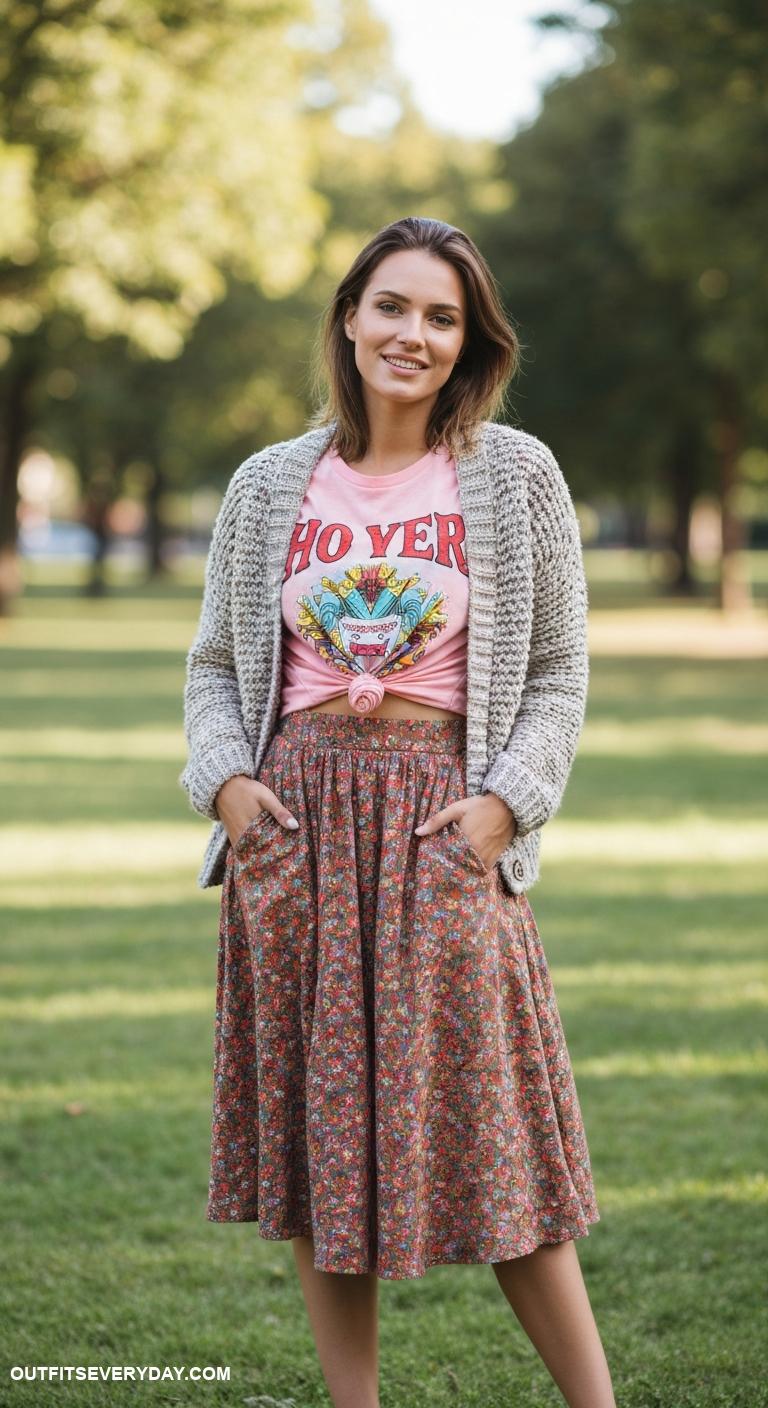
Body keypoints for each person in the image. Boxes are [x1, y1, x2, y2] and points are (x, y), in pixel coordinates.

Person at [179, 215, 616, 1408]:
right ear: (349, 318)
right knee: (326, 1152)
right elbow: (215, 665)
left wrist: (505, 807)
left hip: (444, 825)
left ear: (470, 342)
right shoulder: (268, 483)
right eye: (391, 306)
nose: (411, 333)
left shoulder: (515, 474)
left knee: (503, 1138)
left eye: (441, 316)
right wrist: (228, 787)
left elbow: (558, 673)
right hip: (296, 832)